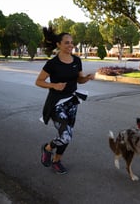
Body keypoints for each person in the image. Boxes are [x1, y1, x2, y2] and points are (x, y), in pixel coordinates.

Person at [35, 27, 94, 174]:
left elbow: (79, 80)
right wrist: (54, 85)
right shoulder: (53, 63)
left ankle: (56, 161)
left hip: (72, 102)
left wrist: (86, 78)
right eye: (67, 43)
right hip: (56, 103)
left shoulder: (77, 60)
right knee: (65, 135)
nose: (70, 45)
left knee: (67, 134)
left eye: (72, 43)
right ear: (59, 45)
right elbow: (39, 81)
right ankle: (48, 148)